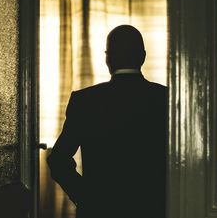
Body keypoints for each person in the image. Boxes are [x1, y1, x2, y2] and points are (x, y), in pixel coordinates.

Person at [47, 25, 167, 218]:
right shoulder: (166, 99)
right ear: (142, 56)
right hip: (153, 208)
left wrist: (85, 197)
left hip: (99, 210)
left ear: (108, 58)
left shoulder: (84, 100)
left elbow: (58, 160)